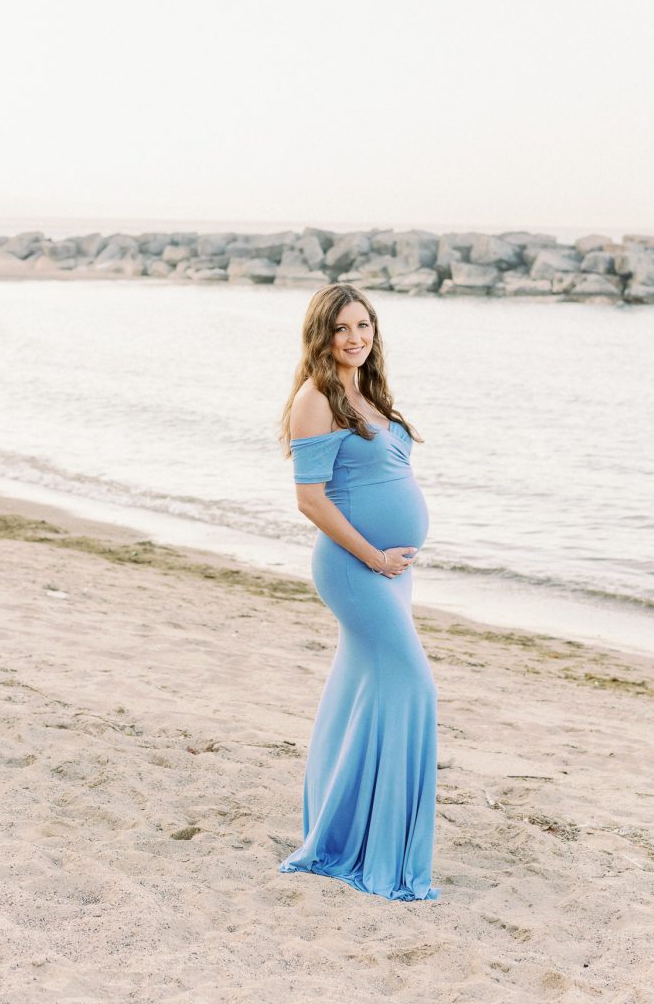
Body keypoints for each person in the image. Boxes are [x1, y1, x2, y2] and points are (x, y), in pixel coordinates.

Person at [277, 282, 440, 902]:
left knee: (360, 693)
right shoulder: (315, 398)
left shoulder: (367, 393)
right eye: (343, 328)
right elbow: (309, 498)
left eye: (365, 326)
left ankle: (343, 830)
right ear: (323, 334)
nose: (356, 338)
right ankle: (375, 846)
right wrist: (373, 554)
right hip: (355, 568)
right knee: (412, 685)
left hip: (390, 571)